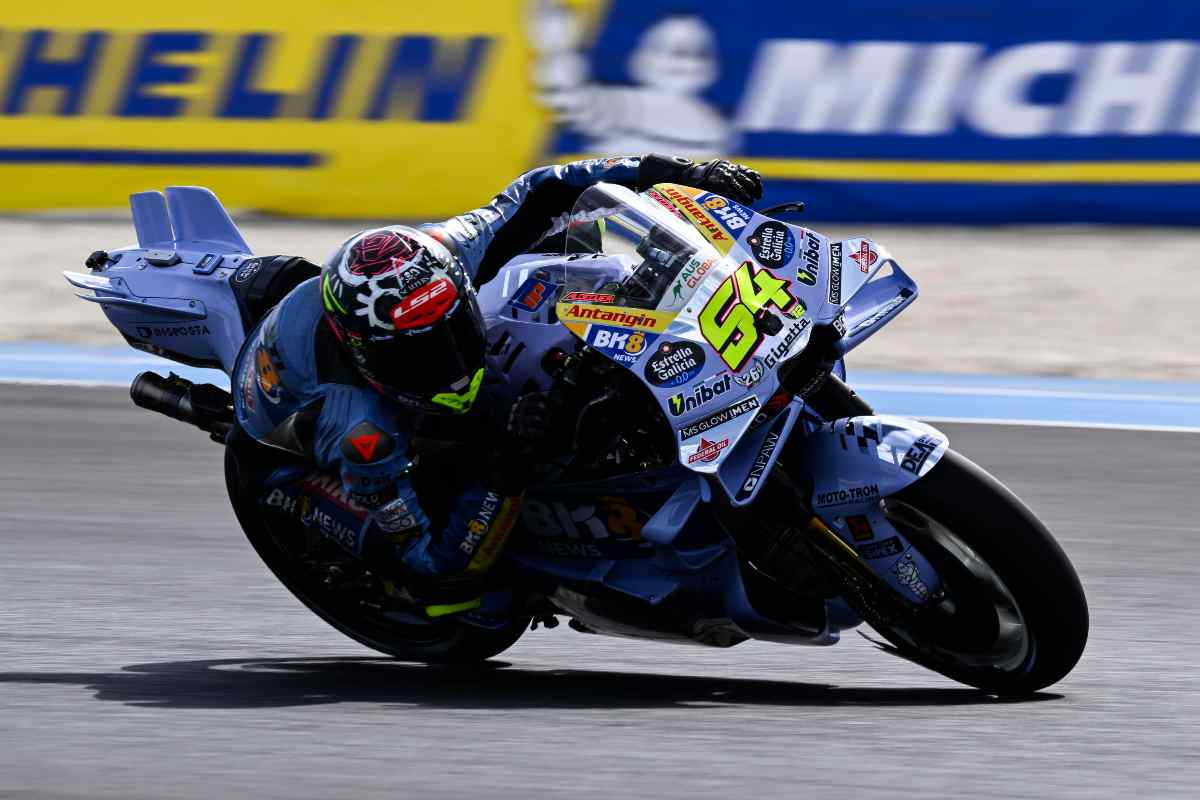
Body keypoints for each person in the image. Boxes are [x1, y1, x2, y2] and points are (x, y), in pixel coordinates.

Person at [228, 154, 763, 613]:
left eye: (452, 331)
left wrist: (671, 171)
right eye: (417, 355)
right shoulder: (361, 431)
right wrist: (505, 470)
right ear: (364, 353)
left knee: (575, 245)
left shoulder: (444, 251)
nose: (448, 362)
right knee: (463, 599)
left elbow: (546, 188)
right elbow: (433, 564)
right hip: (295, 438)